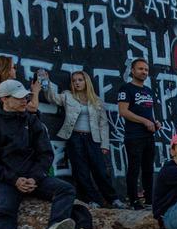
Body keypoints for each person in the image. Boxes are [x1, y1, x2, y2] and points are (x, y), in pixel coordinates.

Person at [0, 80, 76, 229]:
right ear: (4, 99)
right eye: (20, 98)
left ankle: (54, 228)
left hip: (33, 178)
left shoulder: (32, 121)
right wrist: (14, 180)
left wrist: (35, 177)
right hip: (5, 180)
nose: (25, 100)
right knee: (5, 207)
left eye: (26, 97)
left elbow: (45, 154)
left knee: (66, 190)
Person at [41, 69, 125, 208]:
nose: (77, 83)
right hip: (75, 137)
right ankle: (93, 200)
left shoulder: (96, 100)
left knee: (100, 170)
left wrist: (104, 144)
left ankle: (113, 199)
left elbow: (103, 123)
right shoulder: (68, 96)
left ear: (86, 81)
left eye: (80, 80)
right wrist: (46, 82)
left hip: (93, 138)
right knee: (81, 171)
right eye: (74, 81)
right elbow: (52, 98)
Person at [116, 59, 160, 209]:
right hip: (134, 136)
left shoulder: (148, 91)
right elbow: (123, 112)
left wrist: (154, 123)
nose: (144, 72)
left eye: (146, 70)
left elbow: (148, 112)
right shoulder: (126, 89)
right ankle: (134, 200)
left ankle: (149, 200)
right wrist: (144, 121)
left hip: (148, 136)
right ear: (132, 71)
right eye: (140, 69)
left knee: (148, 168)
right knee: (134, 168)